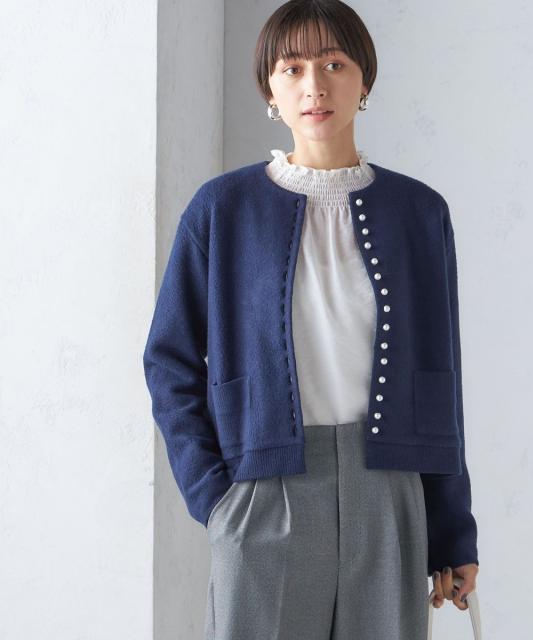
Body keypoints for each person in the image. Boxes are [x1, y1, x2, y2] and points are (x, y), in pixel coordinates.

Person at [143, 1, 480, 637]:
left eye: (334, 64)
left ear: (364, 78)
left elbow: (440, 379)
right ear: (269, 88)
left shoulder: (419, 212)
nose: (314, 86)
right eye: (292, 68)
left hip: (388, 491)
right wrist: (214, 497)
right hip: (262, 491)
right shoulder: (221, 210)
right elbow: (169, 360)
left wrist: (452, 528)